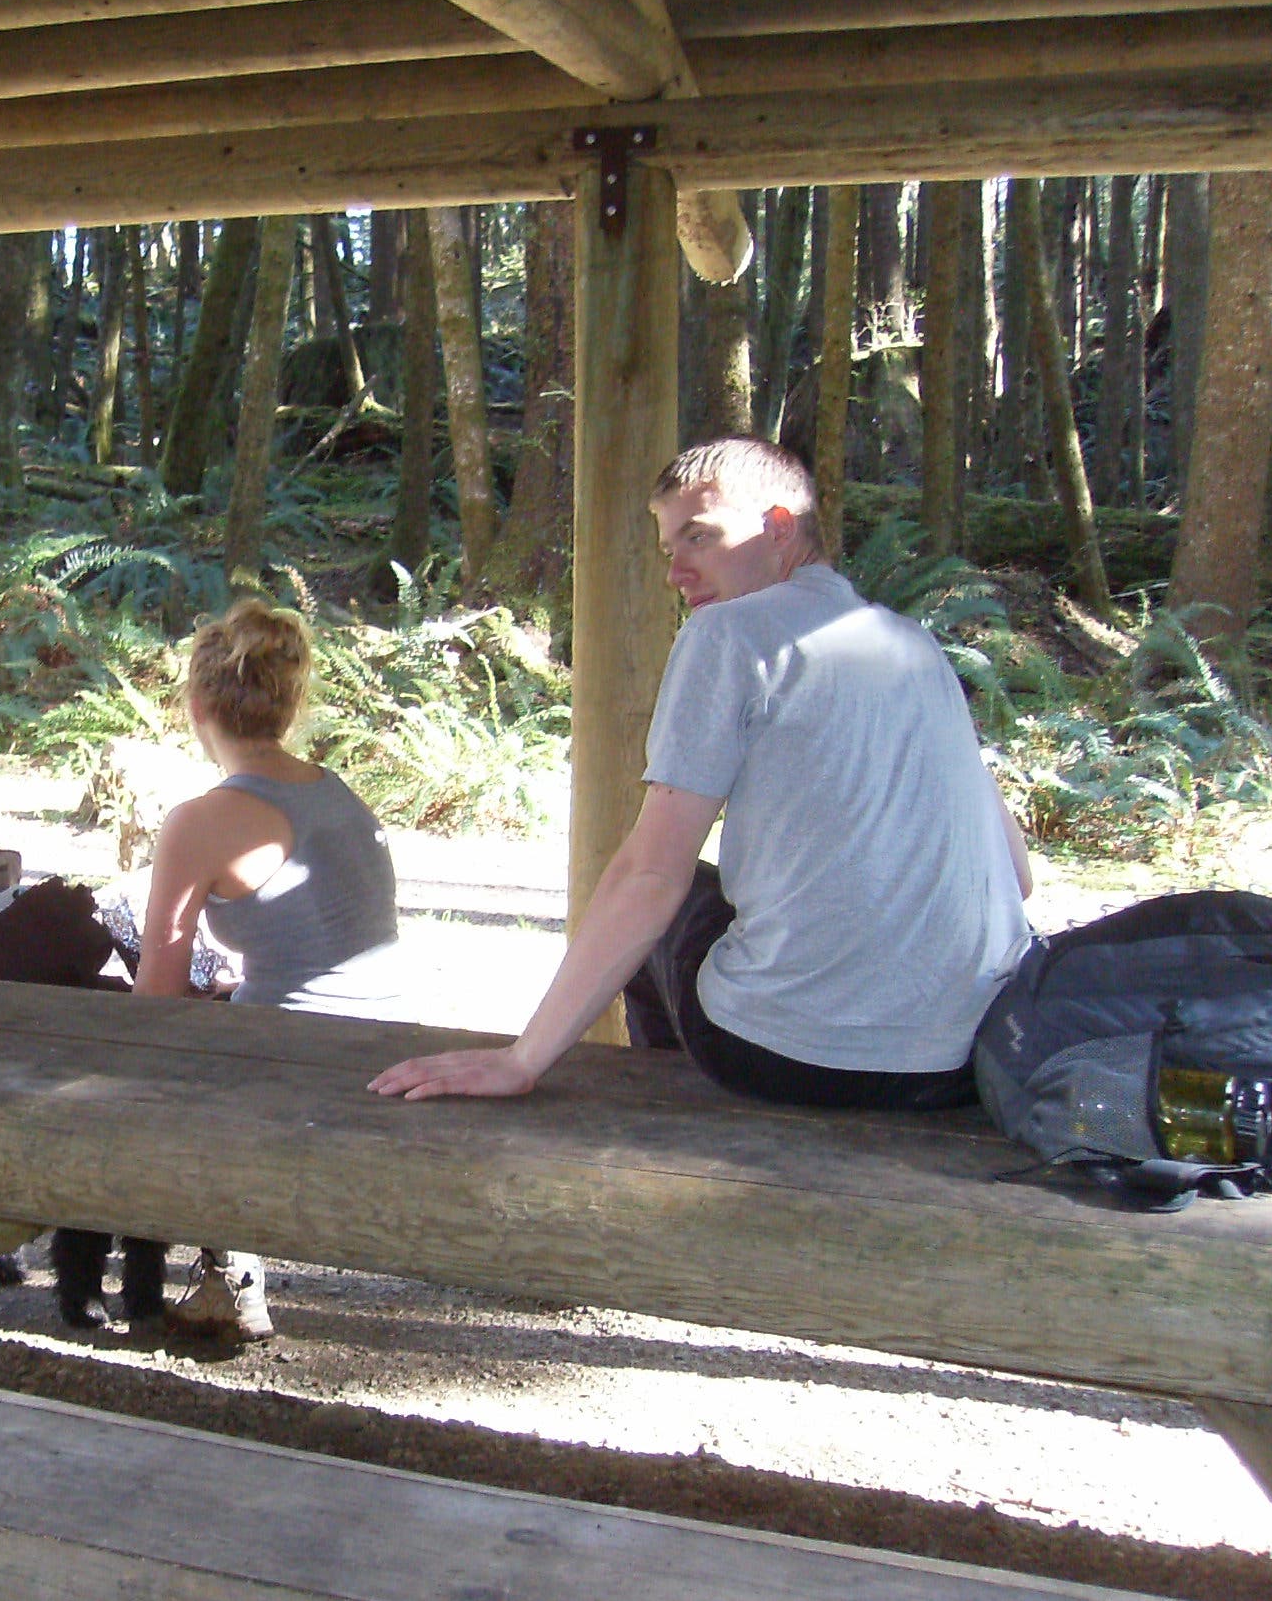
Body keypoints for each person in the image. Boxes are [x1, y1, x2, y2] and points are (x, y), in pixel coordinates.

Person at [372, 438, 1031, 1112]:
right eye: (669, 549)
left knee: (669, 898)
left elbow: (651, 876)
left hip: (794, 1061)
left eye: (700, 537)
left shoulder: (731, 635)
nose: (676, 571)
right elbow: (1020, 876)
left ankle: (662, 1111)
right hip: (970, 1059)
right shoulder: (913, 644)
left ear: (778, 527)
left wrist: (521, 1058)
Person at [118, 598, 403, 1339]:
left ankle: (228, 1270)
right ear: (291, 702)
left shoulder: (201, 818)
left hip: (294, 1058)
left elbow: (155, 993)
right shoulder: (339, 793)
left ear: (196, 704)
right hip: (381, 1039)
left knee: (127, 1061)